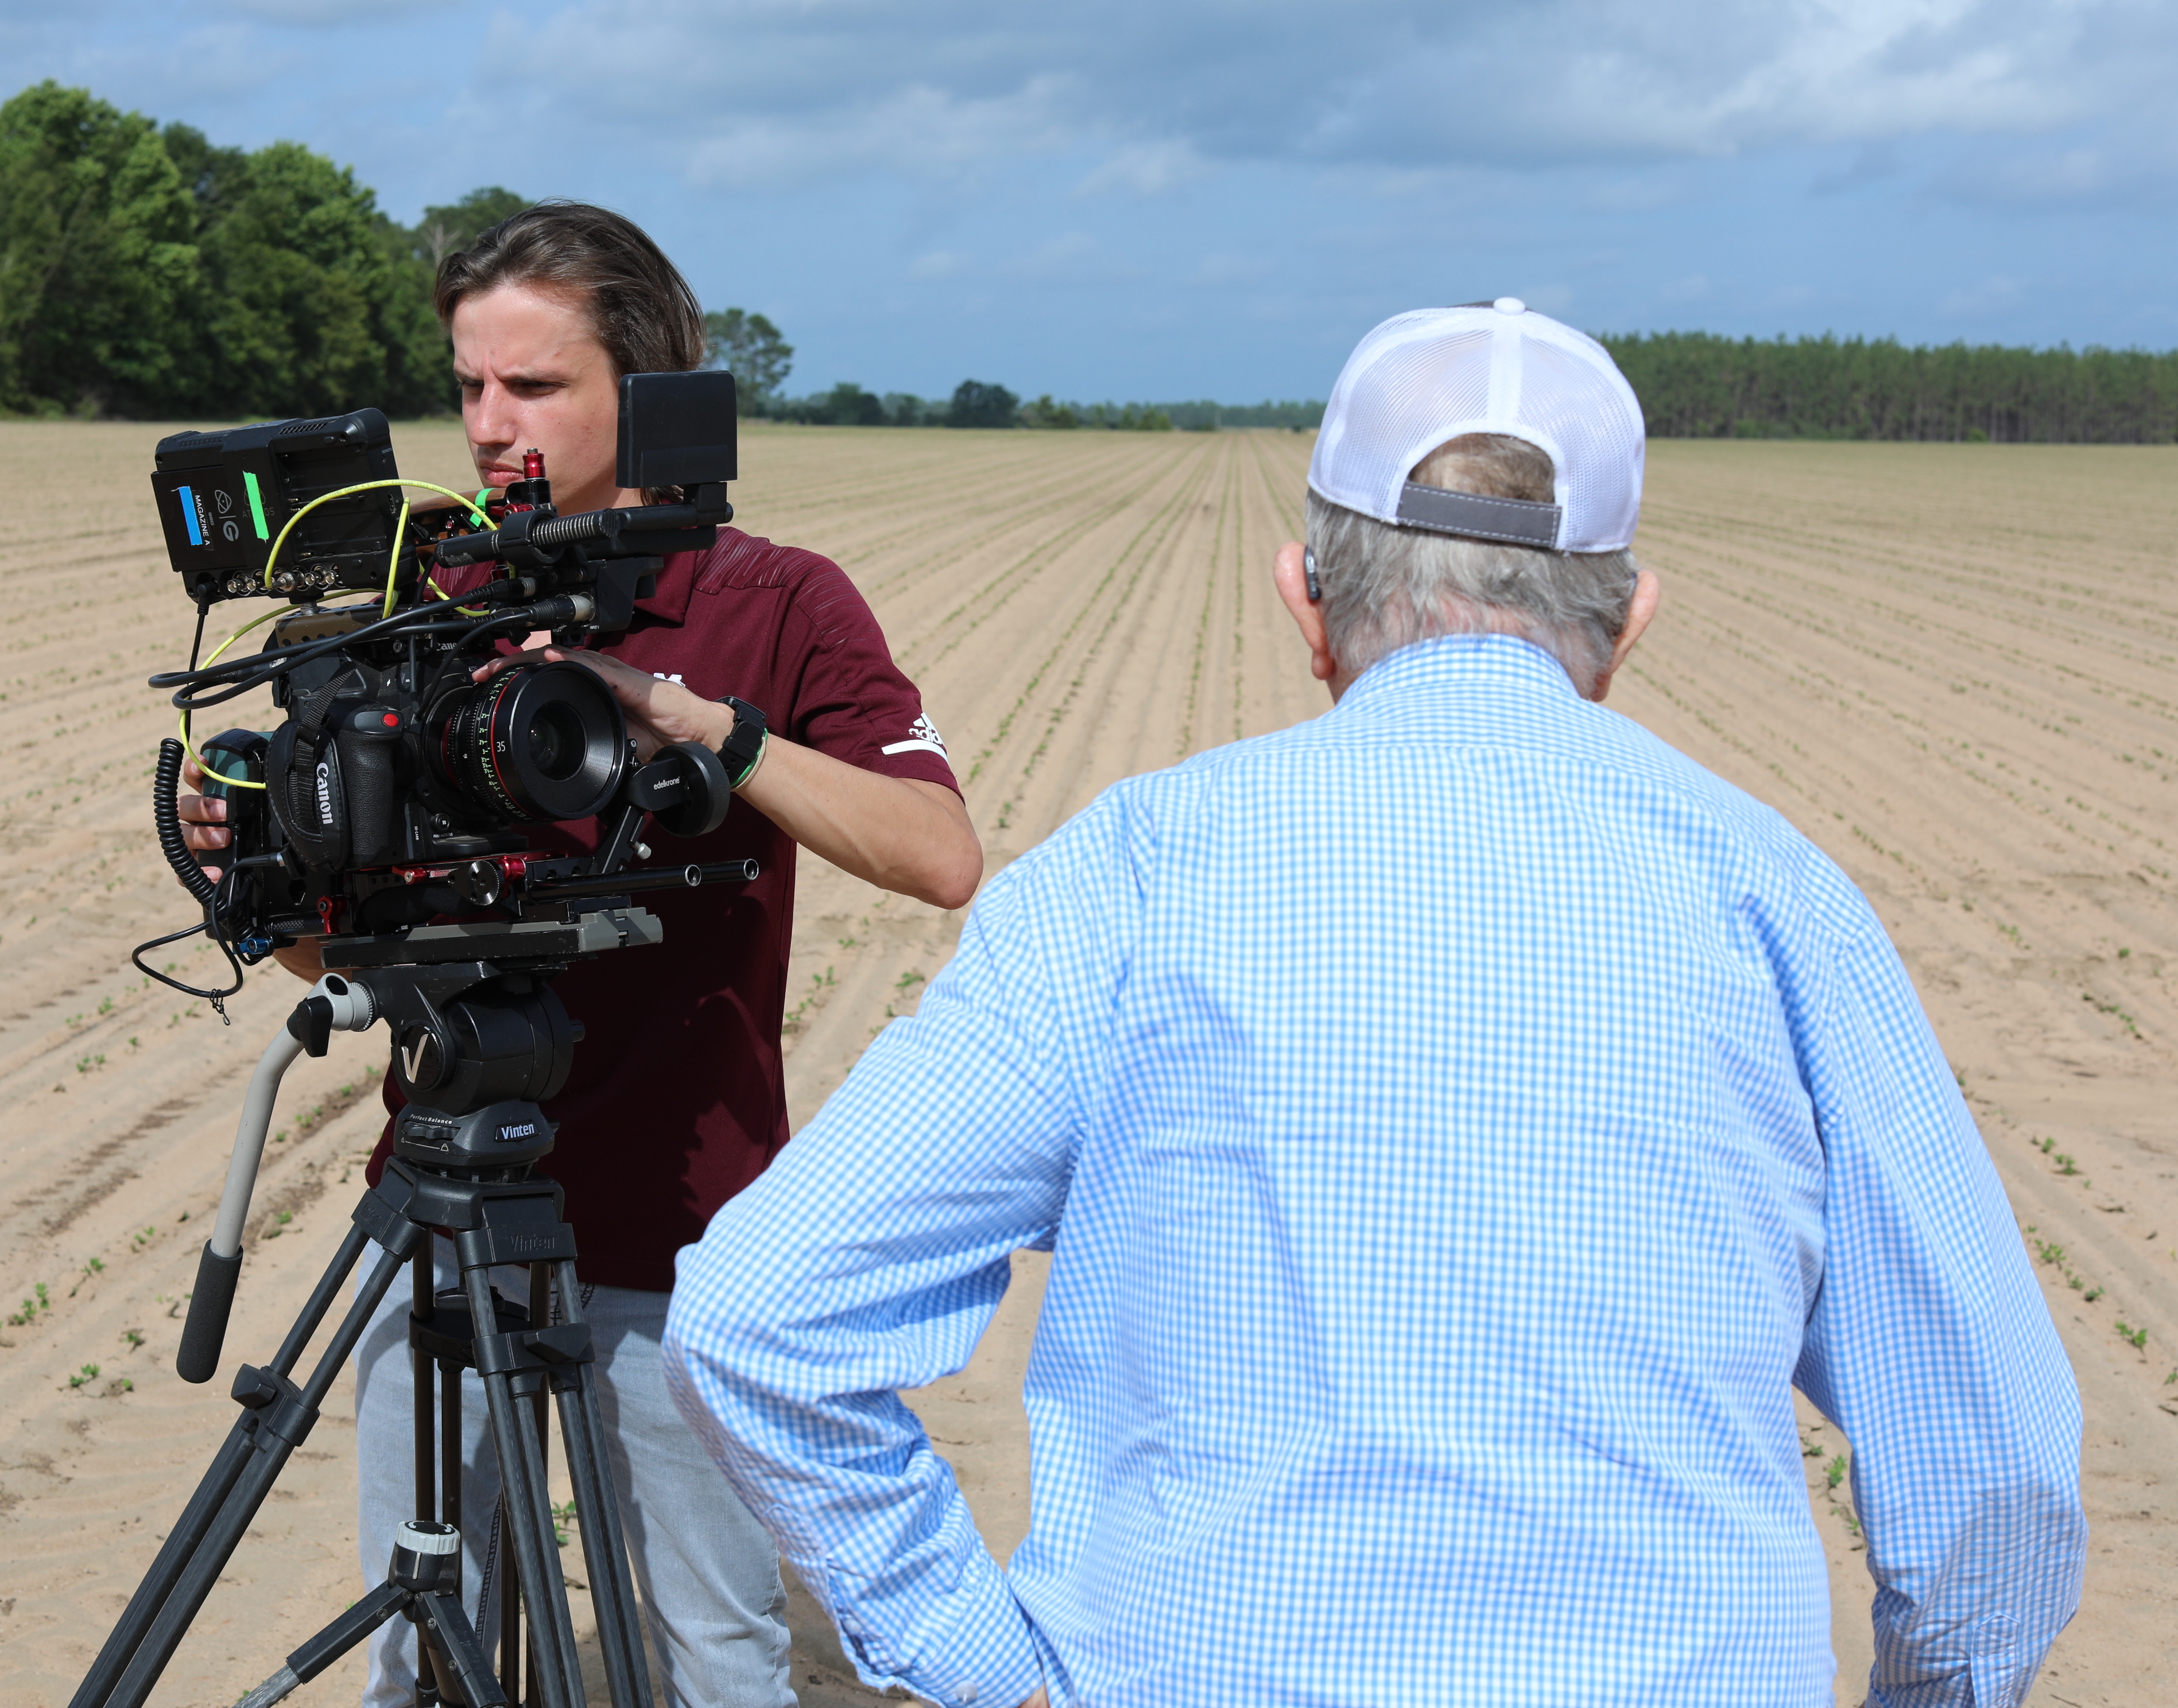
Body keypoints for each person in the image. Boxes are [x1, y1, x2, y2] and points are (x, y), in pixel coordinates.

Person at [661, 299, 2087, 1708]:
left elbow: (762, 1318)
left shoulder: (1139, 870)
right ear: (1629, 618)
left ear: (1307, 598)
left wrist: (990, 1669)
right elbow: (1998, 1468)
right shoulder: (1781, 898)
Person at [175, 201, 982, 1708]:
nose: (492, 426)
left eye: (534, 386)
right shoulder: (428, 605)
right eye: (471, 386)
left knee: (716, 1659)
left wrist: (700, 725)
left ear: (651, 388)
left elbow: (940, 855)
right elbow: (348, 956)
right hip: (443, 1208)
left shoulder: (777, 602)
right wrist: (264, 879)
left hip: (681, 1241)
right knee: (425, 1651)